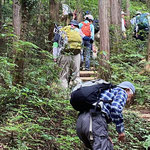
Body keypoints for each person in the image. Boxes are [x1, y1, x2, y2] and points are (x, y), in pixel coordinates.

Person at [76, 81, 135, 150]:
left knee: (107, 146)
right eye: (131, 95)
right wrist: (121, 131)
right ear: (127, 90)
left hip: (81, 122)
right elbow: (115, 109)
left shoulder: (105, 91)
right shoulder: (122, 91)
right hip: (94, 120)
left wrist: (105, 136)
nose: (129, 99)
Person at [57, 20, 82, 88]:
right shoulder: (78, 31)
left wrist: (55, 56)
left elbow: (56, 43)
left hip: (65, 54)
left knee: (63, 76)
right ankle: (76, 93)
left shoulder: (62, 31)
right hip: (76, 54)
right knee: (76, 76)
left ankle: (64, 95)